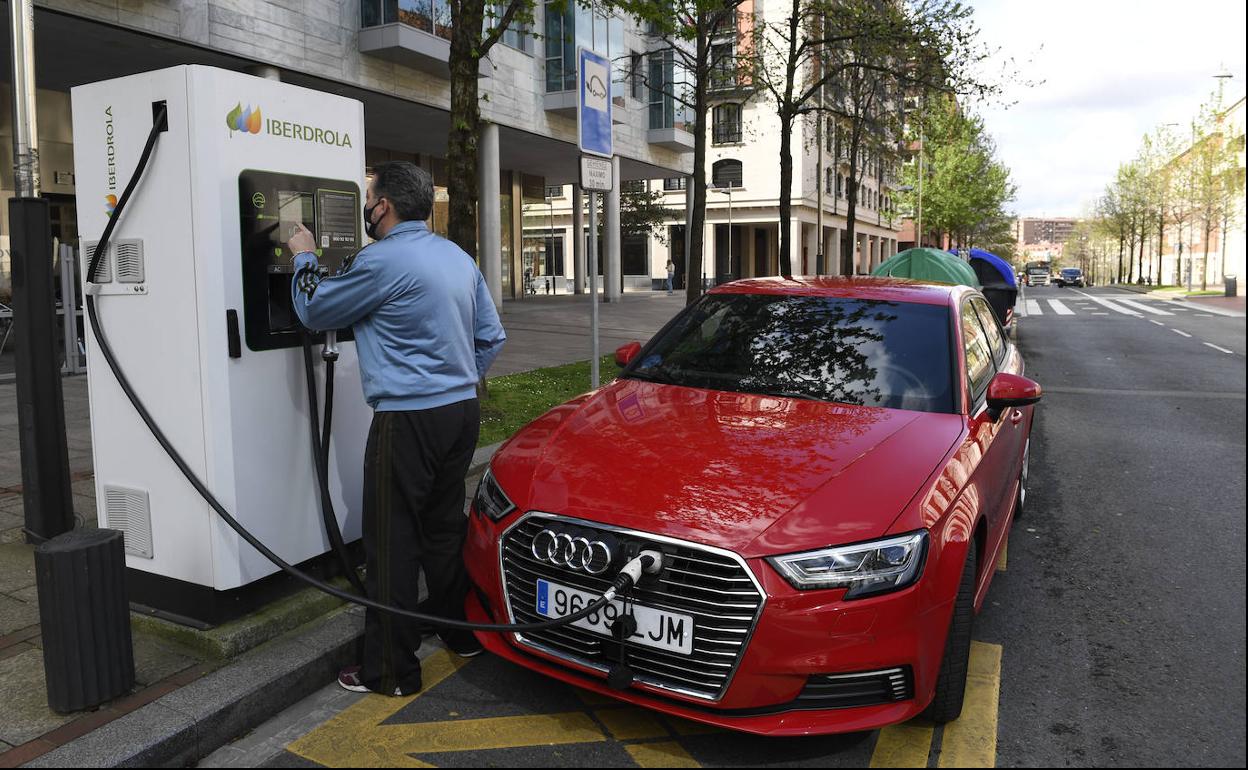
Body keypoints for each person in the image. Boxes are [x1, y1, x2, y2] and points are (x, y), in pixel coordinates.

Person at [287, 161, 505, 697]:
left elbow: (314, 308)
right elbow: (491, 336)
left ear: (382, 206)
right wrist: (456, 377)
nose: (366, 206)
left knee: (390, 543)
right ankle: (462, 634)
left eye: (368, 198)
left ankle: (391, 671)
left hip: (408, 420)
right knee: (442, 527)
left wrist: (303, 256)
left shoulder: (381, 261)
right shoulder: (456, 256)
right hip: (460, 413)